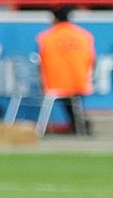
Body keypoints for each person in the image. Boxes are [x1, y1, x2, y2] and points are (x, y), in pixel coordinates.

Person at [36, 7, 95, 135]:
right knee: (73, 99)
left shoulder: (46, 37)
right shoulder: (84, 36)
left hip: (54, 83)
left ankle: (77, 124)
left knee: (67, 98)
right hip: (79, 81)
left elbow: (41, 61)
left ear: (55, 19)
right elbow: (91, 59)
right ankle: (78, 124)